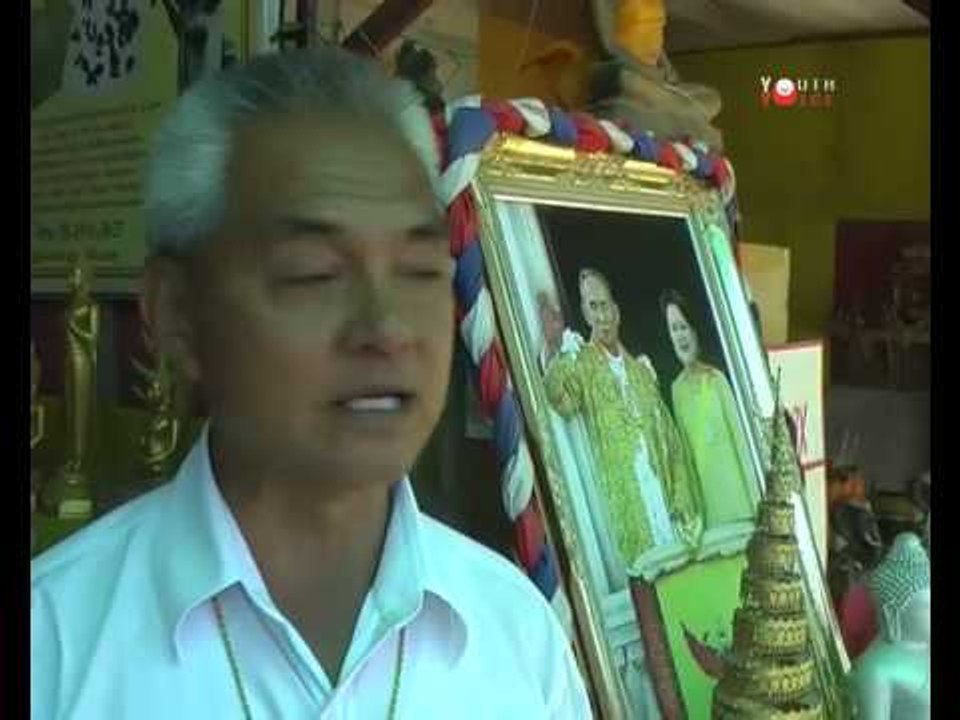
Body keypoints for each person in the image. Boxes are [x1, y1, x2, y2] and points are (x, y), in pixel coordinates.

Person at [31, 47, 591, 719]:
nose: (387, 328)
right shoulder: (56, 645)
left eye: (419, 268)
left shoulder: (516, 635)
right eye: (314, 273)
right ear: (177, 314)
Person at [540, 269, 701, 572]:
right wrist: (556, 350)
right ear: (586, 314)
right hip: (628, 510)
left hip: (666, 507)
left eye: (605, 306)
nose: (602, 316)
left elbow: (671, 440)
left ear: (617, 310)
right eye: (593, 307)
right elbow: (560, 400)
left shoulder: (641, 372)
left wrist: (681, 497)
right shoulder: (581, 363)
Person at [660, 290, 755, 528]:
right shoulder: (676, 390)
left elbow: (742, 447)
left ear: (695, 329)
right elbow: (686, 458)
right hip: (710, 516)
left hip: (740, 506)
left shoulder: (717, 380)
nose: (680, 336)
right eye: (674, 329)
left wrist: (757, 505)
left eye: (683, 327)